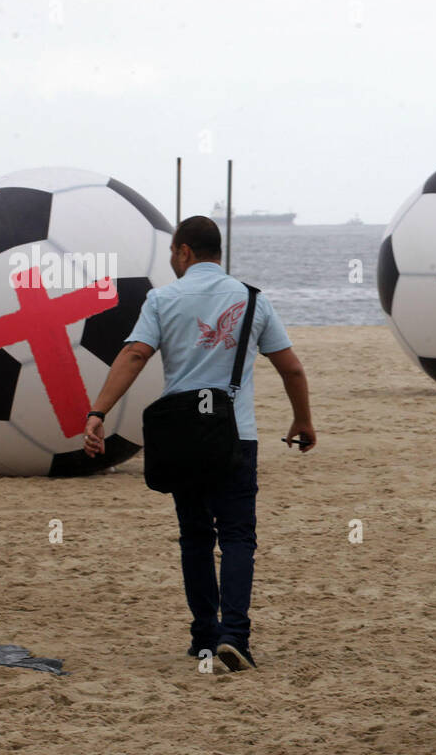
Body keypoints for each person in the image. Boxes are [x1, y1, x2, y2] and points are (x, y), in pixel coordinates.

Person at [81, 215, 315, 672]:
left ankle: (205, 636)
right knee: (237, 537)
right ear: (218, 252)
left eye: (173, 252)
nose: (172, 259)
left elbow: (133, 355)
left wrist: (98, 412)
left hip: (183, 438)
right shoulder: (252, 300)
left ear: (185, 251)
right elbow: (292, 369)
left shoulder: (162, 299)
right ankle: (237, 637)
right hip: (236, 435)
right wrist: (302, 420)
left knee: (194, 537)